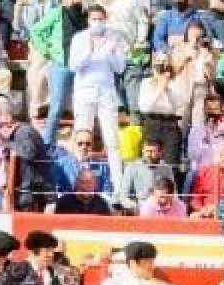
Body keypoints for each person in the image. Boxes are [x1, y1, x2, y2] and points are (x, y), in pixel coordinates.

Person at [68, 5, 127, 195]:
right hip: (84, 92)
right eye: (94, 19)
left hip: (106, 92)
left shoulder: (115, 37)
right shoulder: (79, 38)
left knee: (112, 140)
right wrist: (89, 49)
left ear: (105, 19)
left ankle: (118, 188)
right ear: (88, 20)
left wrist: (110, 53)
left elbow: (120, 68)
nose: (97, 22)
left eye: (100, 19)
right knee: (81, 138)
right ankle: (75, 182)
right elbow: (73, 65)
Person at [30, 0, 87, 144]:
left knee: (82, 107)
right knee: (57, 106)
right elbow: (36, 31)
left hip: (81, 67)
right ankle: (48, 144)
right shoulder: (56, 13)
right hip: (61, 65)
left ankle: (79, 144)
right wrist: (47, 51)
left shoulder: (85, 14)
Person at [138, 52, 190, 165]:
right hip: (151, 123)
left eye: (163, 65)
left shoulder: (176, 82)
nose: (160, 69)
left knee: (172, 164)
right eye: (158, 65)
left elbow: (181, 104)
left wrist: (167, 88)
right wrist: (159, 89)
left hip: (170, 124)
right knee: (149, 162)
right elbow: (145, 107)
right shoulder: (146, 83)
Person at [118, 140, 177, 215]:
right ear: (143, 151)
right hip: (139, 208)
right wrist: (136, 207)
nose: (149, 154)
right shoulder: (132, 167)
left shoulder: (166, 168)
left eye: (152, 152)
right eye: (147, 151)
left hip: (163, 208)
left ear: (160, 153)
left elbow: (173, 193)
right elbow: (123, 196)